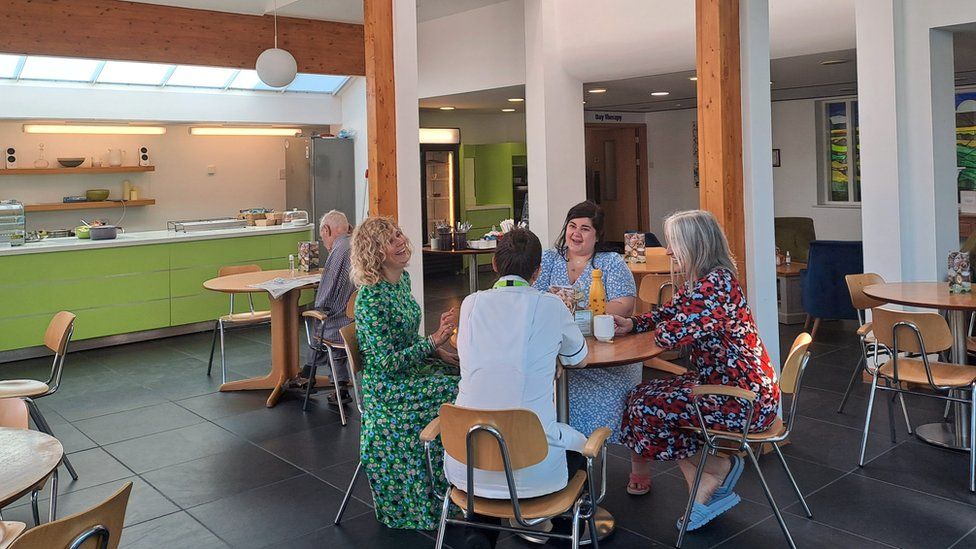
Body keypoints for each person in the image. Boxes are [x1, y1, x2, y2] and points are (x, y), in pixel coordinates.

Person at [614, 210, 780, 531]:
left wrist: (638, 331)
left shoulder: (713, 287)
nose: (669, 251)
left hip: (741, 400)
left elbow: (671, 334)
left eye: (674, 243)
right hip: (730, 387)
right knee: (640, 396)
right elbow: (669, 314)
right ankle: (710, 471)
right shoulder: (708, 281)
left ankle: (708, 476)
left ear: (695, 244)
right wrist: (633, 323)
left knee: (646, 405)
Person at [451, 228, 589, 547]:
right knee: (579, 448)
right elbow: (578, 358)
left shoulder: (470, 305)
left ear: (495, 265)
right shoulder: (551, 306)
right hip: (533, 470)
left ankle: (479, 530)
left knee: (490, 449)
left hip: (467, 464)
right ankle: (560, 531)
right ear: (538, 271)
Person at [350, 216, 460, 530]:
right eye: (390, 240)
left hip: (411, 369)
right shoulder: (371, 298)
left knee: (467, 379)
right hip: (388, 386)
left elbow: (409, 339)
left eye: (399, 235)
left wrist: (441, 352)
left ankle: (464, 484)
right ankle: (446, 492)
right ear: (375, 252)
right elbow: (386, 364)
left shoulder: (403, 280)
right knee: (459, 391)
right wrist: (435, 339)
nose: (400, 242)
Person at [531, 201, 644, 490]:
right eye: (572, 226)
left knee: (627, 400)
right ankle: (564, 469)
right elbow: (533, 298)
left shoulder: (610, 263)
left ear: (597, 235)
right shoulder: (549, 259)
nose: (576, 234)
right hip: (559, 355)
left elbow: (625, 304)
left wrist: (577, 308)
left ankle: (638, 469)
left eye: (585, 228)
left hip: (605, 355)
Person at [301, 210, 355, 403]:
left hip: (338, 325)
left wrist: (316, 308)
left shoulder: (338, 250)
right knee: (332, 320)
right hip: (355, 321)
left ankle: (307, 374)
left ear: (326, 229)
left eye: (323, 237)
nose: (324, 243)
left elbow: (326, 296)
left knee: (319, 319)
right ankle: (338, 386)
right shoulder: (355, 244)